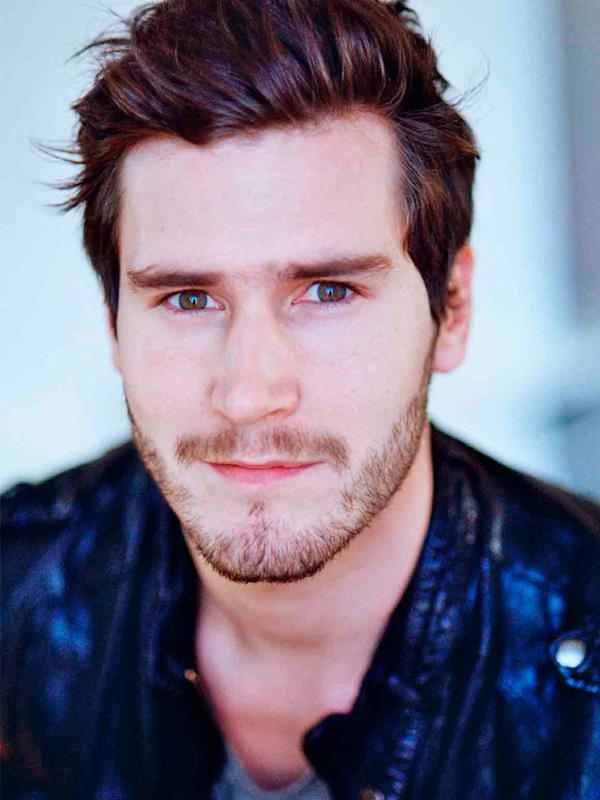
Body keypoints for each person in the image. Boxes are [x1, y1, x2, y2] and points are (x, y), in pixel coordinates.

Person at [2, 0, 599, 798]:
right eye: (187, 298)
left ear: (451, 310)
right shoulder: (16, 593)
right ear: (114, 325)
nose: (250, 395)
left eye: (327, 291)